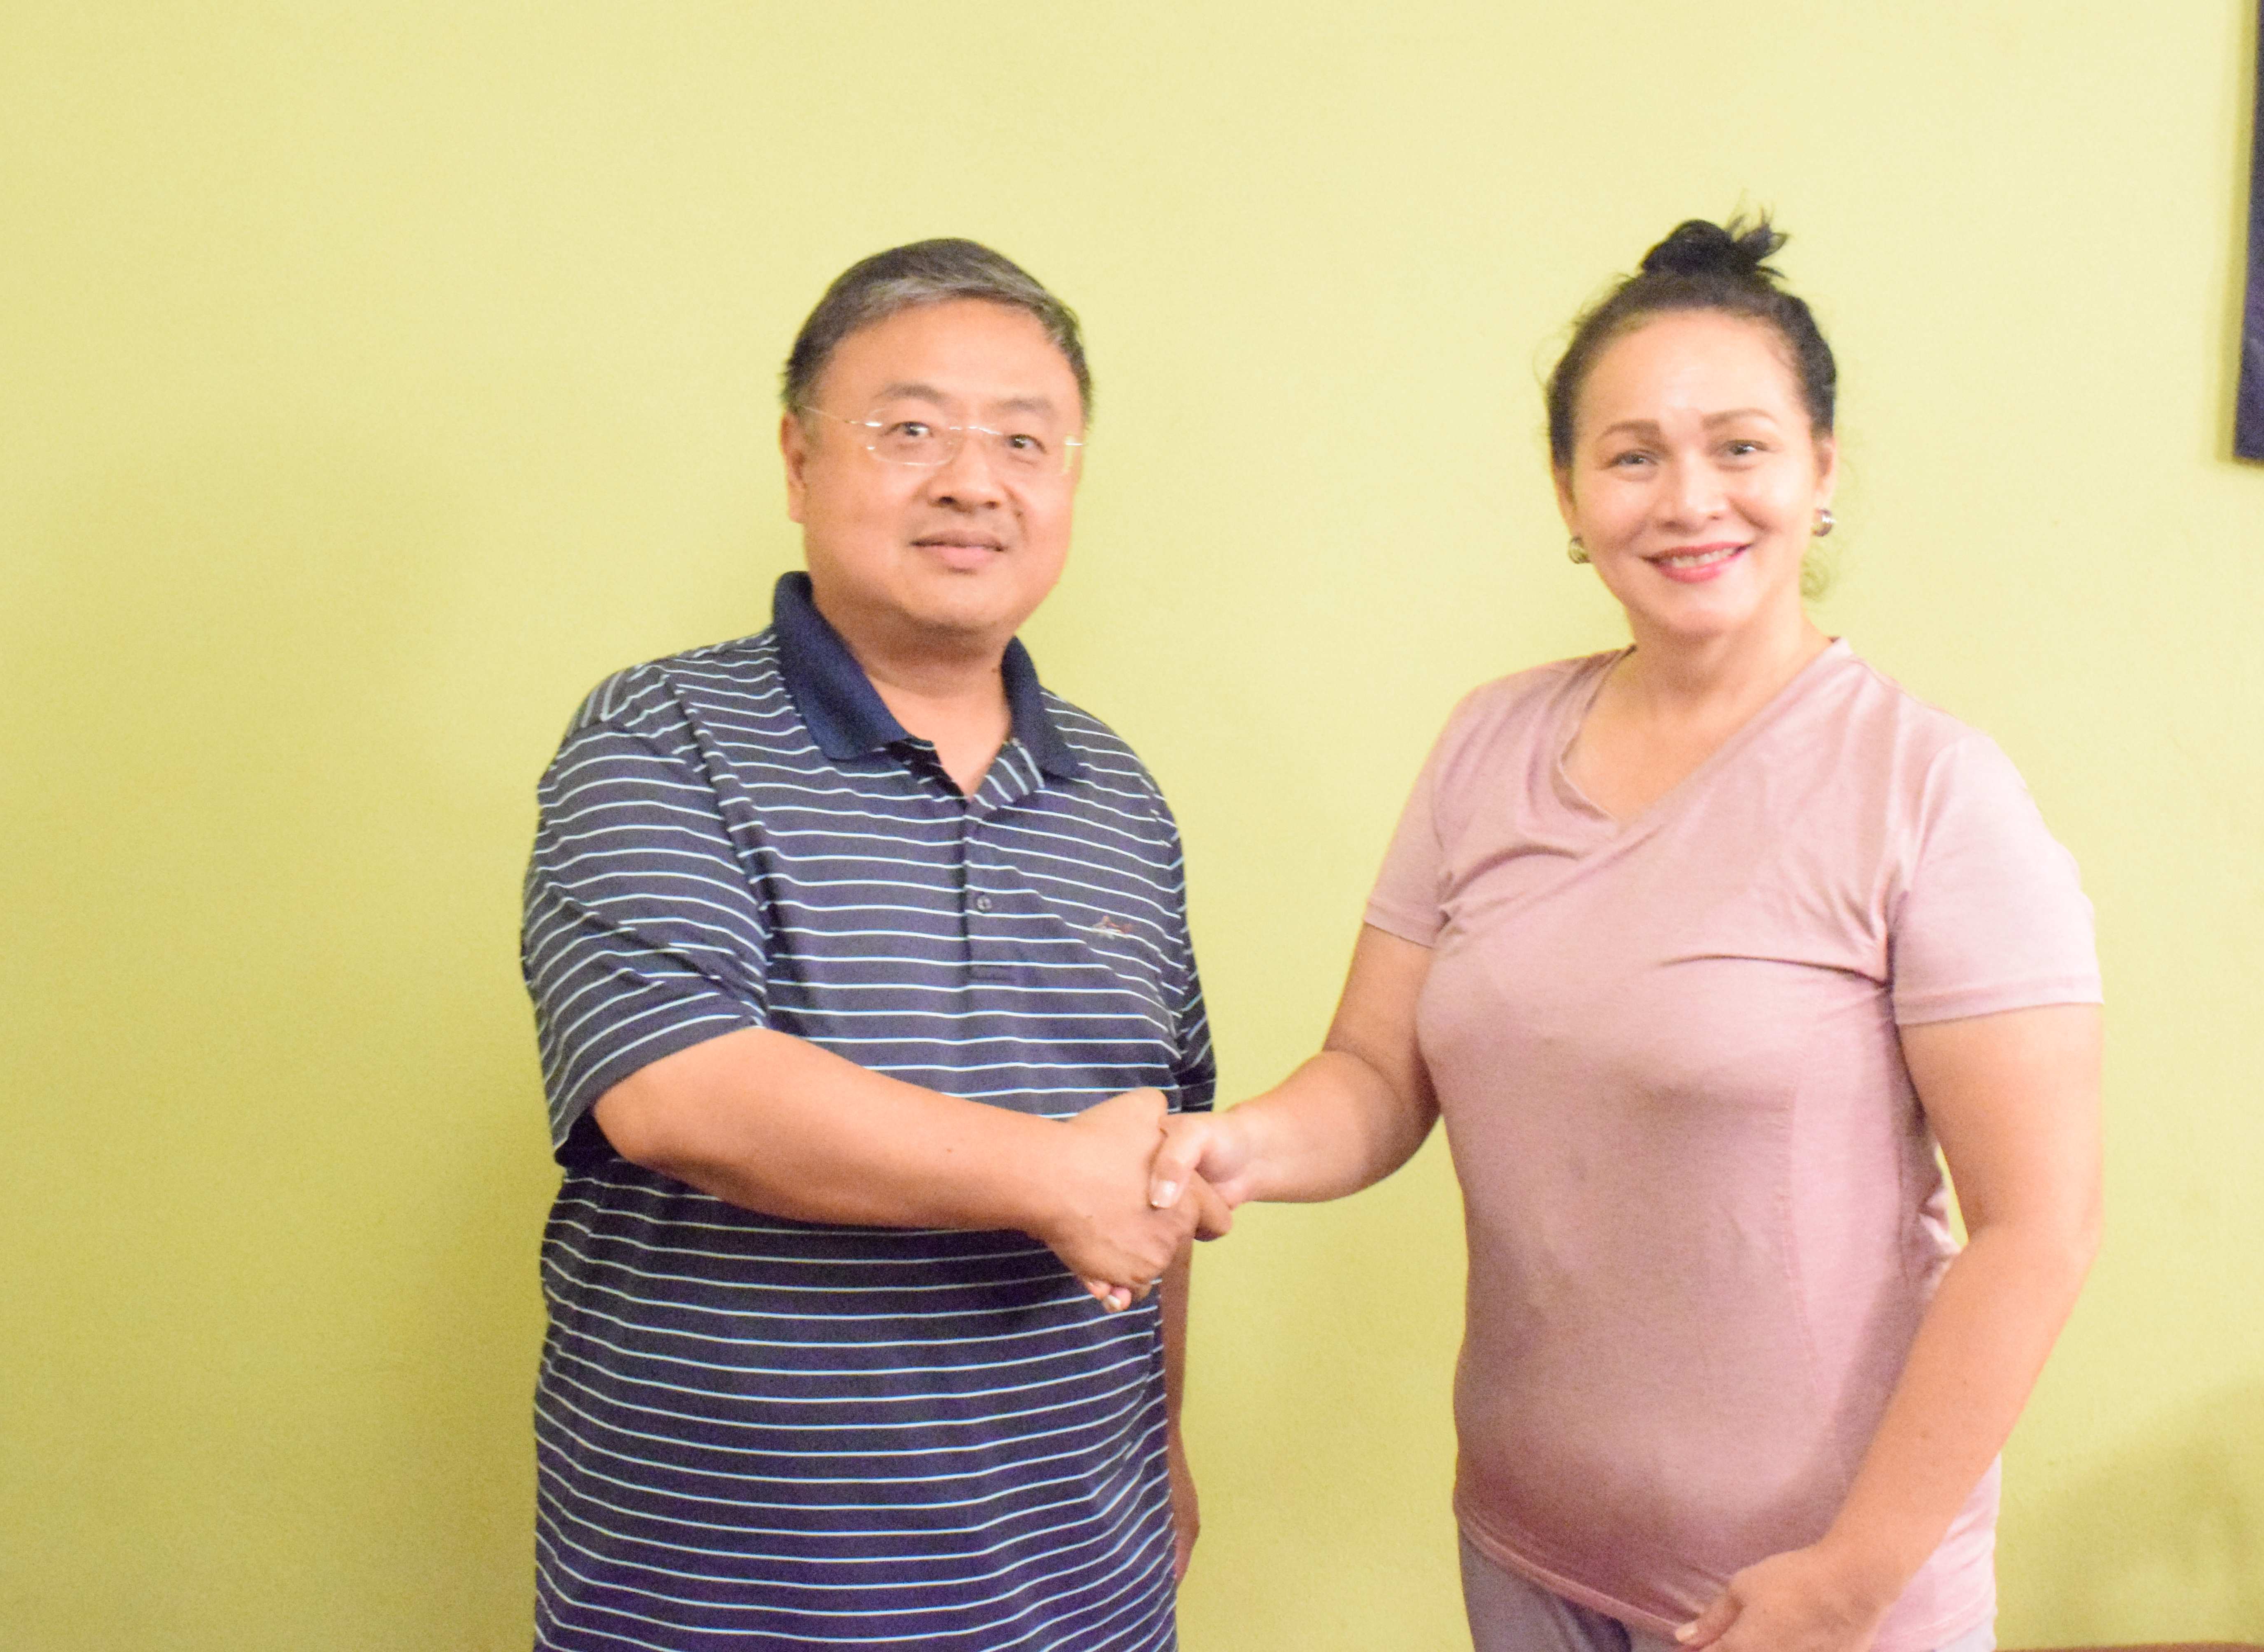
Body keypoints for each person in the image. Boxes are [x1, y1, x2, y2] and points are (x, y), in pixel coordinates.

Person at [1149, 216, 2102, 1652]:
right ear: (1570, 492)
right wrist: (1239, 1149)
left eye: (1741, 447)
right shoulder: (1488, 744)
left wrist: (1853, 1577)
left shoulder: (1932, 790)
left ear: (1822, 470)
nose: (1689, 500)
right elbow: (1377, 1072)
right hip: (1525, 1550)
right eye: (1634, 455)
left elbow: (2038, 1227)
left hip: (1814, 1598)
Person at [520, 238, 1227, 1651]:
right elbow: (677, 1092)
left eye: (1024, 440)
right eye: (911, 431)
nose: (974, 481)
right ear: (798, 463)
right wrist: (1052, 1178)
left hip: (1078, 1591)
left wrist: (1163, 1446)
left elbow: (1155, 1164)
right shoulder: (658, 739)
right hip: (724, 1597)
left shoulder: (1120, 796)